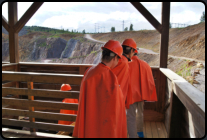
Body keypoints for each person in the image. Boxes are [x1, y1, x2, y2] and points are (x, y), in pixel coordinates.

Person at [73, 40, 127, 138]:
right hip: (103, 127)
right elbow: (116, 108)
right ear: (115, 57)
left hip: (89, 124)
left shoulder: (89, 71)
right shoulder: (110, 76)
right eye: (119, 58)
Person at [127, 44, 158, 138]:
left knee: (131, 116)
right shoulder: (145, 64)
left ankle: (132, 135)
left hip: (131, 94)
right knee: (140, 113)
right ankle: (140, 133)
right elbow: (151, 82)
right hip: (142, 95)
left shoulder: (127, 64)